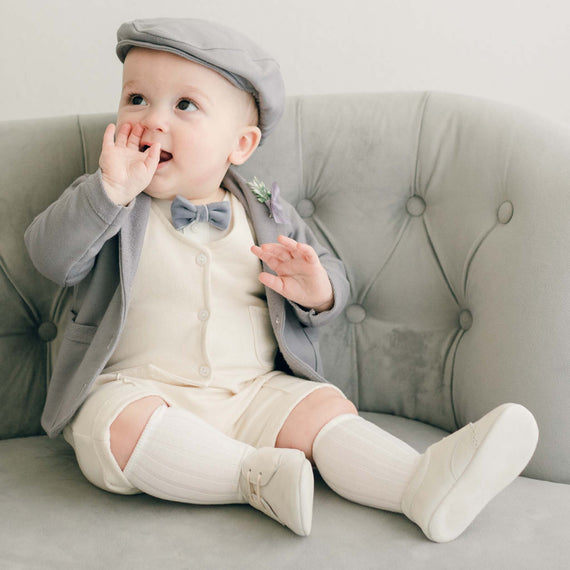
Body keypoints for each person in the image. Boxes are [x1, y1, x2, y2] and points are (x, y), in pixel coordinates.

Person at [24, 18, 539, 542]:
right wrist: (108, 191)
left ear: (240, 144)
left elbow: (331, 272)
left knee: (321, 409)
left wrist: (317, 289)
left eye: (184, 106)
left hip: (252, 392)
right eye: (136, 98)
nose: (153, 120)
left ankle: (419, 483)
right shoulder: (105, 200)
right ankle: (250, 477)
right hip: (141, 389)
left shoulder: (268, 211)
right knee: (117, 429)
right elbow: (50, 257)